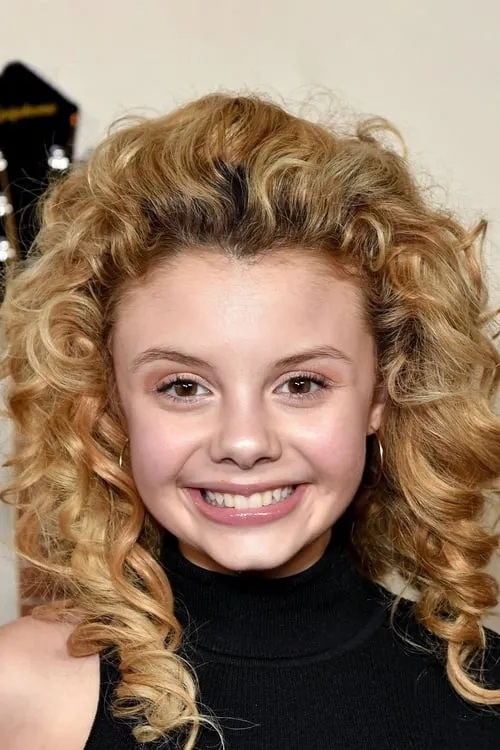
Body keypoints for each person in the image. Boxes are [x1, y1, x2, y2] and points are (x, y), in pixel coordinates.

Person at [0, 90, 499, 750]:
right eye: (183, 387)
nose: (243, 442)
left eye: (301, 384)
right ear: (111, 401)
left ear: (382, 393)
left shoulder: (485, 694)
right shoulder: (20, 693)